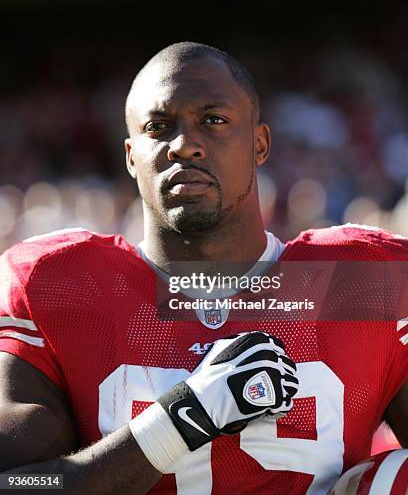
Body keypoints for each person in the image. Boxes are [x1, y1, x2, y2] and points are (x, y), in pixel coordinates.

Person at [0, 42, 406, 494]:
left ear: (260, 144)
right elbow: (20, 485)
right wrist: (180, 420)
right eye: (159, 126)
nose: (184, 146)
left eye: (213, 120)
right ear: (131, 157)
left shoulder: (366, 280)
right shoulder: (59, 283)